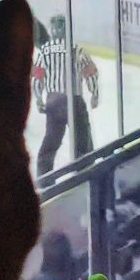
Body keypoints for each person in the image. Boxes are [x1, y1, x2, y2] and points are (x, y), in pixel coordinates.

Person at [32, 14, 100, 176]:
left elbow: (37, 77)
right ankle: (84, 171)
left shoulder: (44, 52)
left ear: (52, 30)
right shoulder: (77, 50)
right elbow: (90, 73)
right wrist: (94, 93)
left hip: (54, 100)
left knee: (51, 139)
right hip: (74, 100)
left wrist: (39, 98)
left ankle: (44, 176)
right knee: (82, 138)